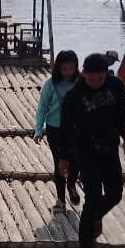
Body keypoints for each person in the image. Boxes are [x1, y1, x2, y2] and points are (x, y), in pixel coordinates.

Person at [58, 53, 125, 248]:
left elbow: (121, 114)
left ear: (105, 75)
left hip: (109, 147)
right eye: (91, 79)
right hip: (85, 150)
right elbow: (65, 128)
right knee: (92, 197)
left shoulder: (116, 86)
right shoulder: (74, 96)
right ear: (83, 74)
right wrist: (63, 158)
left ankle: (93, 219)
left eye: (99, 79)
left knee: (115, 193)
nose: (95, 84)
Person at [33, 50, 81, 212]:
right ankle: (60, 199)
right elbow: (42, 107)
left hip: (76, 129)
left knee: (76, 160)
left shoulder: (80, 83)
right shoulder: (50, 84)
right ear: (59, 68)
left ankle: (72, 185)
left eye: (71, 69)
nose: (68, 72)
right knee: (59, 162)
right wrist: (38, 129)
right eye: (64, 69)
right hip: (55, 129)